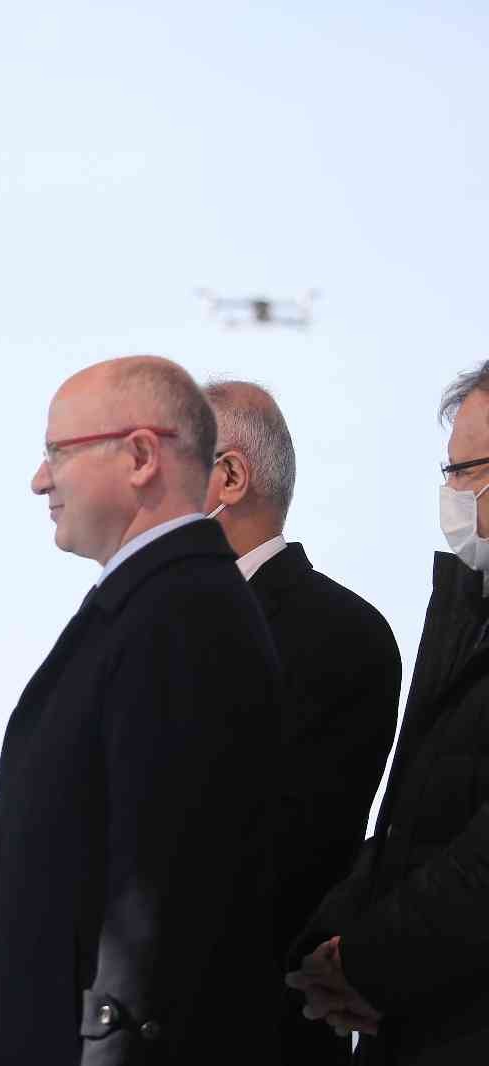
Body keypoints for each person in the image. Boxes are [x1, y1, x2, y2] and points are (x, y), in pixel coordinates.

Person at [0, 356, 283, 1066]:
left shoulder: (181, 618)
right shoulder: (151, 606)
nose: (40, 480)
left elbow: (159, 901)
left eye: (58, 453)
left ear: (141, 456)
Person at [288, 360, 489, 1064]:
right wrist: (327, 951)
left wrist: (364, 964)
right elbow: (412, 824)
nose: (451, 492)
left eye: (463, 471)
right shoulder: (469, 614)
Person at [203, 380, 401, 1066]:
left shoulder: (339, 634)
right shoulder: (159, 627)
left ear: (229, 477)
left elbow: (279, 861)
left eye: (165, 469)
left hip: (249, 1034)